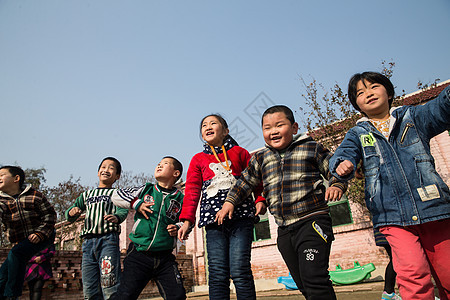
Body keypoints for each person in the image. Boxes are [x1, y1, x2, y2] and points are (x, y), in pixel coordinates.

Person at [329, 72, 450, 300]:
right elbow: (342, 155)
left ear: (389, 92)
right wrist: (342, 165)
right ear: (357, 104)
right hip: (392, 217)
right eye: (360, 93)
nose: (368, 94)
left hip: (435, 209)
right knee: (413, 273)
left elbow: (441, 108)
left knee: (448, 273)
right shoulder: (357, 133)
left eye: (374, 87)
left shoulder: (413, 117)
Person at [218, 106, 346, 300]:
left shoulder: (311, 147)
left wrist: (336, 185)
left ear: (294, 127)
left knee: (314, 277)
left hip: (312, 221)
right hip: (284, 230)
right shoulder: (261, 158)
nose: (273, 131)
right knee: (302, 281)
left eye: (280, 125)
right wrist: (230, 202)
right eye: (267, 128)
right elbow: (245, 182)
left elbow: (335, 169)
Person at [177, 114, 266, 300]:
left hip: (241, 219)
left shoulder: (241, 153)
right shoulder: (198, 159)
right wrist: (187, 221)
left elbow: (255, 178)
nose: (207, 127)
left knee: (240, 269)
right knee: (217, 274)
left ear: (225, 131)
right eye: (203, 125)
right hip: (213, 222)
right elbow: (192, 191)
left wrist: (259, 198)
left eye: (213, 123)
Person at [110, 156, 185, 300]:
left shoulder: (180, 199)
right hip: (139, 253)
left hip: (165, 258)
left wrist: (178, 227)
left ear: (176, 173)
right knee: (125, 295)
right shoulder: (146, 189)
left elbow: (187, 221)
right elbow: (116, 196)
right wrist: (136, 204)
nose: (159, 165)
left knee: (178, 296)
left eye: (165, 163)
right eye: (158, 163)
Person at [65, 157, 128, 300]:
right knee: (89, 285)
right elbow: (71, 212)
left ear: (117, 176)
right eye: (103, 167)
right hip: (87, 243)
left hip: (108, 241)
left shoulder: (117, 194)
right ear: (98, 172)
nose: (106, 170)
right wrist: (72, 212)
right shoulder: (86, 195)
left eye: (111, 168)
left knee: (109, 282)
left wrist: (117, 217)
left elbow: (123, 211)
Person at [0, 166, 56, 300]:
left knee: (16, 253)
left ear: (16, 178)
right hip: (21, 241)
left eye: (2, 175)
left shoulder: (34, 196)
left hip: (43, 237)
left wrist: (40, 233)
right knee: (2, 275)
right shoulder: (1, 201)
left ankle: (13, 294)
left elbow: (50, 215)